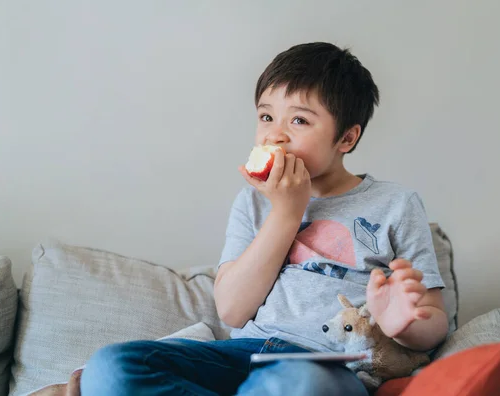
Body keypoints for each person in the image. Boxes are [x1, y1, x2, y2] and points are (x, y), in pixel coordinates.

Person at [80, 41, 449, 396]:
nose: (275, 133)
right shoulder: (253, 204)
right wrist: (287, 212)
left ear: (346, 139)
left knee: (294, 385)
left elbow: (434, 323)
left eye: (299, 120)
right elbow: (233, 311)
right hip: (246, 355)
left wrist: (403, 324)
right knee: (111, 368)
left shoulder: (395, 204)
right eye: (267, 116)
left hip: (330, 366)